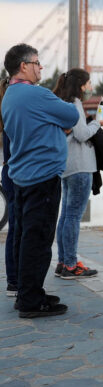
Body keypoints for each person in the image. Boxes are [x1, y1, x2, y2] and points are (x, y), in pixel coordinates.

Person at [1, 44, 79, 318]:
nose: (40, 68)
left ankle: (26, 293)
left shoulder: (10, 95)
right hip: (42, 176)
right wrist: (57, 124)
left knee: (24, 237)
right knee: (38, 240)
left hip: (21, 176)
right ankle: (32, 301)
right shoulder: (36, 95)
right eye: (36, 63)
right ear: (23, 66)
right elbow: (72, 115)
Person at [52, 69, 103, 279]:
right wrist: (96, 123)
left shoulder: (61, 102)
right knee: (73, 216)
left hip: (67, 165)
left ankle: (63, 262)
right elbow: (83, 134)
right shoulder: (75, 104)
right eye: (89, 83)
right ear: (81, 85)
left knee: (66, 215)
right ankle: (72, 265)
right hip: (81, 165)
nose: (91, 87)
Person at [0, 78, 18, 299]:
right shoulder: (13, 114)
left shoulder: (4, 114)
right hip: (17, 171)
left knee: (14, 228)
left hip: (7, 170)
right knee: (19, 228)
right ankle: (15, 280)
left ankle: (12, 281)